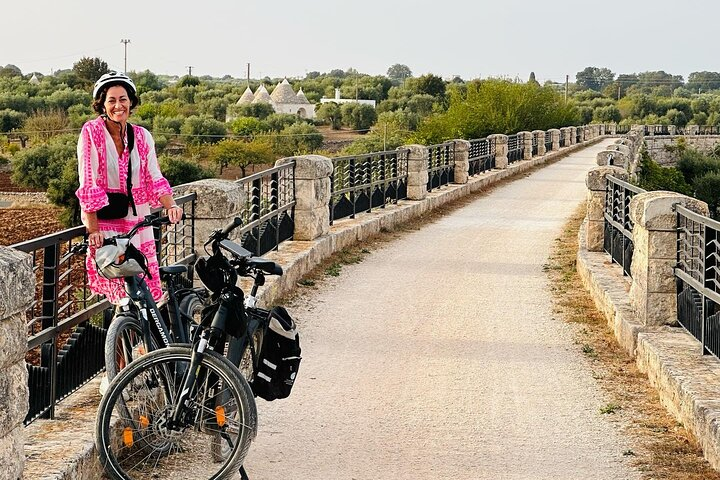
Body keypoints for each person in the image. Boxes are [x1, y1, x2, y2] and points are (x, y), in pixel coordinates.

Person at [75, 71, 183, 304]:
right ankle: (123, 335)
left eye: (123, 99)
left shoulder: (142, 136)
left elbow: (154, 176)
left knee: (141, 288)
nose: (118, 105)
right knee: (121, 293)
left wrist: (171, 205)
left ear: (131, 102)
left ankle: (143, 336)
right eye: (111, 100)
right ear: (102, 104)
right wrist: (93, 229)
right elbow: (88, 181)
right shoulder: (91, 132)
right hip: (106, 223)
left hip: (138, 222)